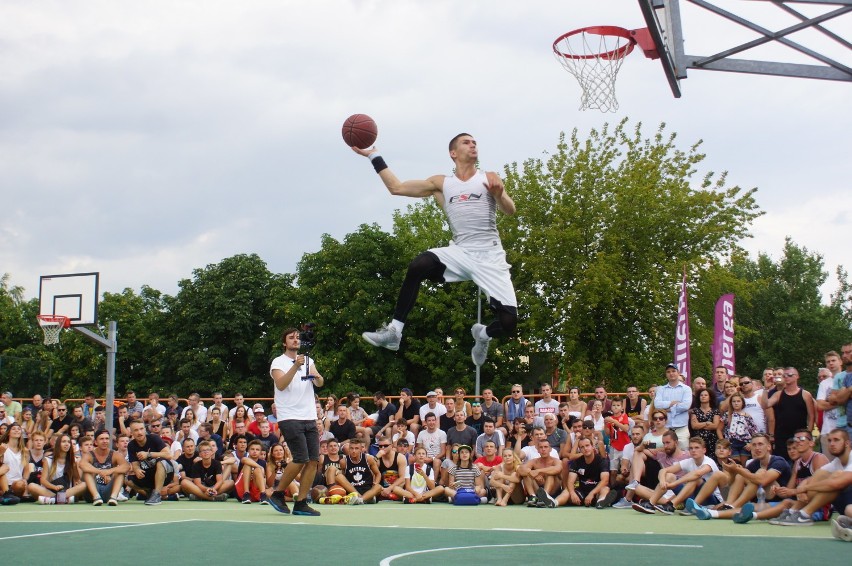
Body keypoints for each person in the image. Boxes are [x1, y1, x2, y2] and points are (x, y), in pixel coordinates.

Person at [355, 133, 517, 366]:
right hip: (460, 252)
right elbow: (396, 188)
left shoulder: (489, 178)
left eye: (474, 142)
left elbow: (510, 210)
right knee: (418, 265)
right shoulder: (441, 184)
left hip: (490, 257)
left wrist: (499, 194)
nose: (473, 145)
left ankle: (482, 335)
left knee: (509, 323)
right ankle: (394, 332)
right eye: (466, 142)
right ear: (453, 153)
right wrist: (374, 155)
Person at [268, 326, 325, 516]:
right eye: (291, 338)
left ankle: (301, 502)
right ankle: (277, 494)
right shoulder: (278, 362)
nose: (295, 340)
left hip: (309, 416)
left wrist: (317, 377)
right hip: (290, 417)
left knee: (313, 461)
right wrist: (295, 366)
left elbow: (320, 383)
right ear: (284, 342)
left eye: (297, 337)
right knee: (300, 458)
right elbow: (281, 385)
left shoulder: (308, 360)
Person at [540, 437, 614, 509]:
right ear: (580, 450)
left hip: (596, 492)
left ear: (592, 447)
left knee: (605, 489)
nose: (585, 448)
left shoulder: (602, 461)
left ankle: (601, 502)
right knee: (567, 491)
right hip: (582, 492)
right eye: (582, 447)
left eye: (587, 445)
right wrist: (572, 493)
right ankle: (554, 502)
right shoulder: (577, 462)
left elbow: (605, 480)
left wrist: (592, 493)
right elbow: (570, 481)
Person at [763, 367, 815, 461]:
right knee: (782, 461)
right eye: (784, 375)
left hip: (799, 434)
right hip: (782, 436)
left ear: (797, 376)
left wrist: (808, 434)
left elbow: (811, 416)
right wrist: (766, 388)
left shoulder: (805, 394)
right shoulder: (779, 394)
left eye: (790, 375)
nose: (786, 377)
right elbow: (765, 404)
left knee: (800, 461)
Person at [126, 420, 176, 505]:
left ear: (145, 430)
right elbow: (134, 464)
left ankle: (156, 494)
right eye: (136, 430)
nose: (139, 432)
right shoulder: (131, 445)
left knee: (161, 462)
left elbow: (169, 455)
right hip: (148, 475)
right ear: (131, 433)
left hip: (165, 472)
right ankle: (150, 493)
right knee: (128, 480)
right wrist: (137, 470)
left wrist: (148, 454)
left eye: (141, 429)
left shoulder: (154, 438)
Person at [79, 429, 129, 506]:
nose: (105, 441)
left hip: (108, 491)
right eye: (101, 439)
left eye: (107, 439)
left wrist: (110, 471)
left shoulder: (115, 454)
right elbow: (82, 464)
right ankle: (96, 496)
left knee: (120, 473)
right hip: (91, 493)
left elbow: (126, 466)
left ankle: (114, 497)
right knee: (87, 472)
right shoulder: (89, 454)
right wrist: (100, 472)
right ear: (95, 442)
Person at [655, 363, 693, 449]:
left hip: (682, 428)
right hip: (665, 428)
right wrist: (672, 403)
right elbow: (657, 404)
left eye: (673, 371)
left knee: (683, 453)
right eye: (668, 372)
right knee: (665, 453)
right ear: (666, 374)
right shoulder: (661, 389)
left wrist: (668, 409)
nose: (671, 373)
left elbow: (686, 406)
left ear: (678, 372)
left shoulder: (686, 389)